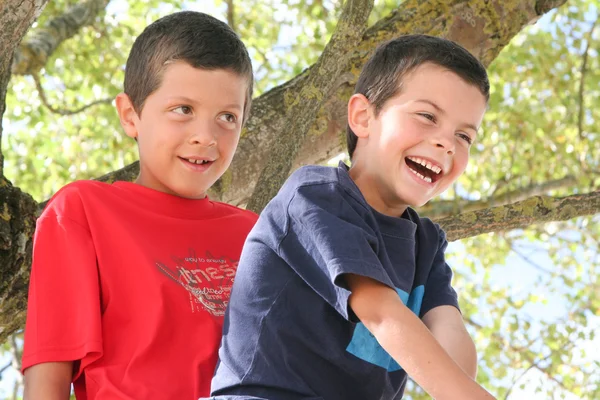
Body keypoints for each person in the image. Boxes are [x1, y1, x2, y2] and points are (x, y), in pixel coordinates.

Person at [207, 35, 496, 400]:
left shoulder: (426, 244)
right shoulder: (315, 196)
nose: (447, 143)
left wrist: (462, 391)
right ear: (363, 116)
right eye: (427, 116)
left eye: (464, 135)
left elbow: (448, 330)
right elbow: (380, 312)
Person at [21, 11, 256, 400]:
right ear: (131, 115)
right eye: (183, 109)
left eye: (227, 117)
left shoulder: (257, 233)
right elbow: (47, 378)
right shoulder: (83, 211)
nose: (206, 136)